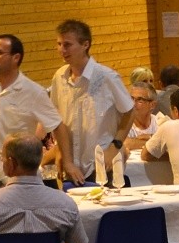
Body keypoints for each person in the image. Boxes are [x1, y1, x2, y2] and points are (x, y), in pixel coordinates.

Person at [50, 18, 133, 185]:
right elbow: (57, 122)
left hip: (102, 161)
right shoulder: (59, 77)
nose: (62, 50)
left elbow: (129, 111)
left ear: (85, 45)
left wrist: (115, 146)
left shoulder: (106, 77)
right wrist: (62, 154)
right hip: (71, 164)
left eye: (67, 44)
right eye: (59, 44)